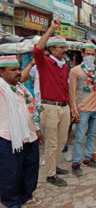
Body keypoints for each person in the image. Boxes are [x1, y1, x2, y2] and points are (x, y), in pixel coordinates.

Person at [0, 56, 44, 208]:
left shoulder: (21, 88)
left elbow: (32, 111)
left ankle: (27, 195)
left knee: (31, 167)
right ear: (1, 72)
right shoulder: (1, 87)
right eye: (13, 70)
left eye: (19, 69)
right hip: (9, 137)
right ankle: (11, 202)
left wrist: (37, 130)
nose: (18, 72)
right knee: (11, 172)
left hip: (30, 135)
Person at [33, 18, 70, 186]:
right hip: (50, 107)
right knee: (52, 142)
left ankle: (53, 165)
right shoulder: (45, 63)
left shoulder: (64, 65)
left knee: (62, 141)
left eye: (65, 47)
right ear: (52, 49)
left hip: (64, 107)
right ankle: (50, 174)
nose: (65, 50)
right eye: (62, 47)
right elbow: (37, 50)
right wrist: (51, 29)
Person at [69, 41, 96, 176]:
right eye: (88, 54)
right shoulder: (75, 71)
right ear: (83, 54)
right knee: (79, 137)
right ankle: (76, 163)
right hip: (82, 109)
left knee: (91, 135)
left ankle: (88, 158)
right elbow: (72, 91)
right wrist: (74, 109)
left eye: (92, 54)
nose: (90, 56)